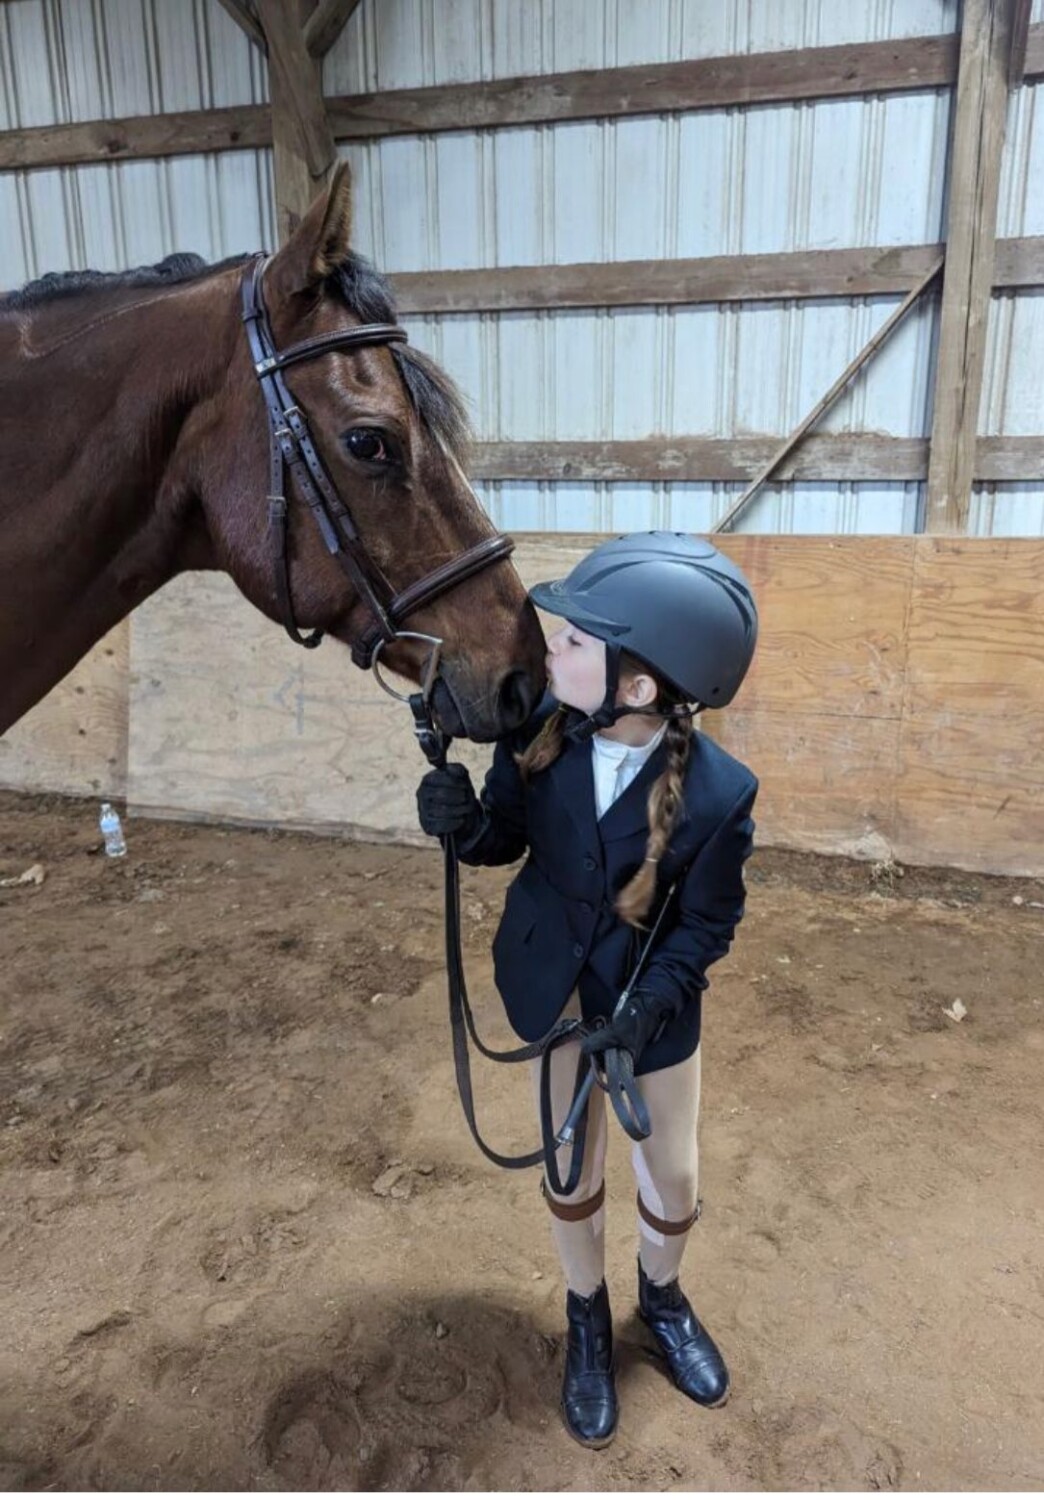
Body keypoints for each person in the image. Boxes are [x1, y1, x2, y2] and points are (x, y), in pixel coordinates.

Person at [416, 531, 758, 1449]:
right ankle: (587, 1318)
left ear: (637, 687)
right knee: (570, 1169)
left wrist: (645, 1012)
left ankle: (663, 1297)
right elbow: (501, 840)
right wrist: (459, 825)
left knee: (672, 1176)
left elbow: (705, 925)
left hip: (647, 1005)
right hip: (555, 988)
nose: (547, 649)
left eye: (572, 643)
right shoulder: (537, 735)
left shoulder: (720, 795)